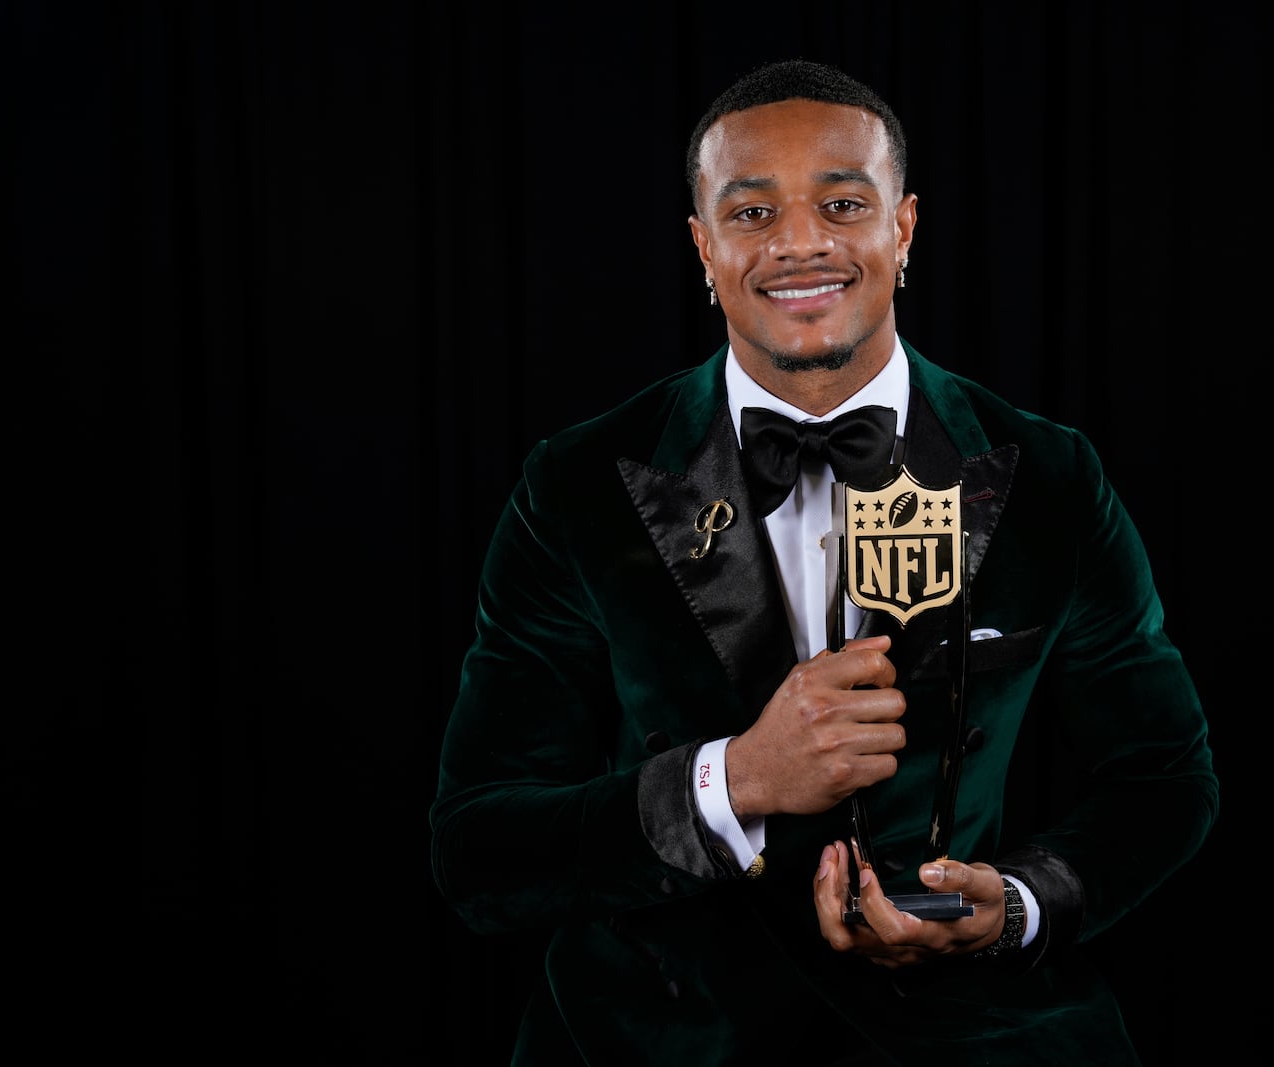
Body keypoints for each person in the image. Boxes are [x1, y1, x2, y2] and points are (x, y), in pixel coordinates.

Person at [430, 58, 1218, 1065]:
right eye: (752, 214)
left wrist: (1016, 902)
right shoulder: (575, 484)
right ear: (703, 248)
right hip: (659, 1035)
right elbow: (481, 849)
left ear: (903, 224)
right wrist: (736, 780)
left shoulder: (1050, 476)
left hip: (968, 1033)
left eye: (842, 203)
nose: (801, 242)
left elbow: (1164, 775)